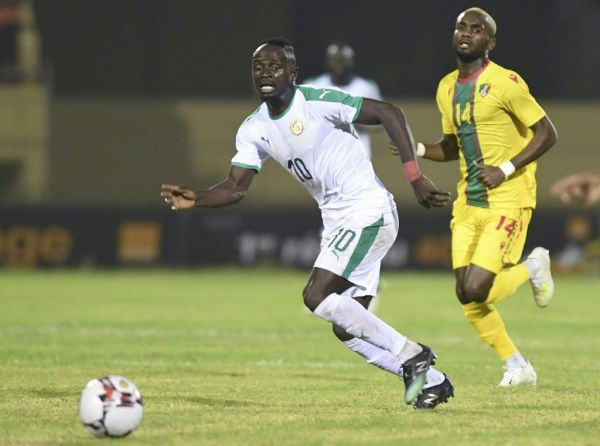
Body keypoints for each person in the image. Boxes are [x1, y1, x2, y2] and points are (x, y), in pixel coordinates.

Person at [161, 37, 454, 409]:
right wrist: (198, 198)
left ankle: (411, 354)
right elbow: (235, 188)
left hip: (366, 210)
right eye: (258, 66)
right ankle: (433, 381)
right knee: (346, 327)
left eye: (275, 65)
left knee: (315, 296)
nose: (265, 72)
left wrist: (414, 177)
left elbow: (389, 113)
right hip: (338, 222)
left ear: (293, 73)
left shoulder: (316, 102)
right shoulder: (254, 128)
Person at [397, 8, 558, 386]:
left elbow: (547, 133)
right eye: (461, 27)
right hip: (468, 202)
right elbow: (453, 145)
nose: (467, 33)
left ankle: (533, 267)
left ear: (490, 43)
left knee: (475, 287)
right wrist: (418, 148)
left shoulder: (506, 82)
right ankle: (518, 365)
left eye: (477, 29)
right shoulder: (446, 88)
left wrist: (505, 168)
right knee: (466, 295)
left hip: (508, 197)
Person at [304, 42, 382, 159]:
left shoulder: (366, 87)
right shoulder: (313, 86)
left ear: (351, 61)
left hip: (357, 152)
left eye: (342, 60)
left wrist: (357, 118)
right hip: (323, 153)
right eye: (335, 60)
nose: (338, 65)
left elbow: (379, 122)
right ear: (327, 61)